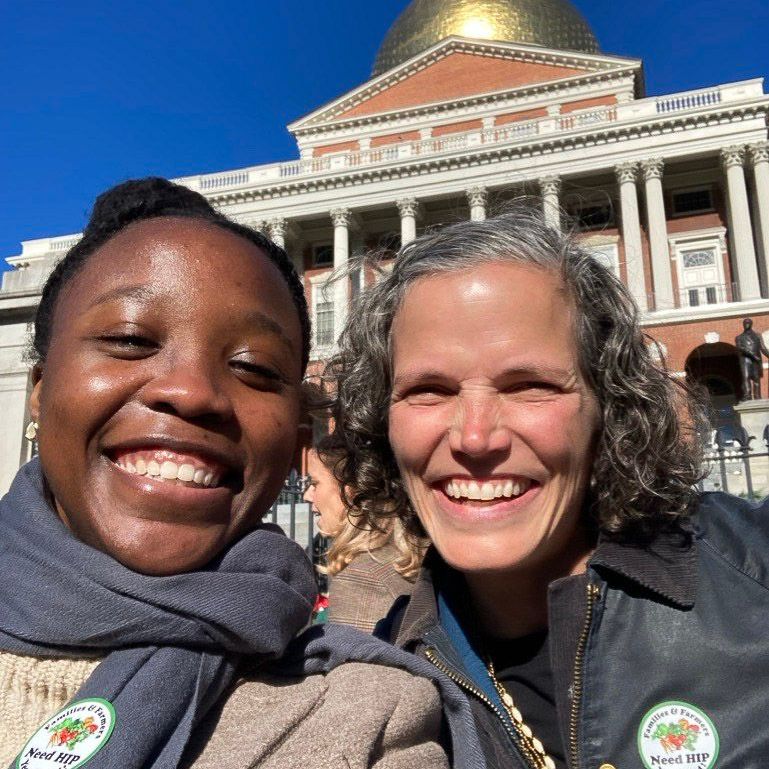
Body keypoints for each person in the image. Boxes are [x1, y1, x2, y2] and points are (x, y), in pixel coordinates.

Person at [0, 178, 485, 769]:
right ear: (40, 388)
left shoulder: (364, 717)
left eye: (254, 368)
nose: (192, 392)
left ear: (298, 428)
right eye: (129, 339)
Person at [328, 207, 769, 769]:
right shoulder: (378, 682)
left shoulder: (753, 569)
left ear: (609, 407)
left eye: (530, 385)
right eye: (428, 390)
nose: (475, 437)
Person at [304, 440, 421, 631]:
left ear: (350, 492)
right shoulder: (401, 557)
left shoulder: (362, 580)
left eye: (315, 484)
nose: (307, 495)